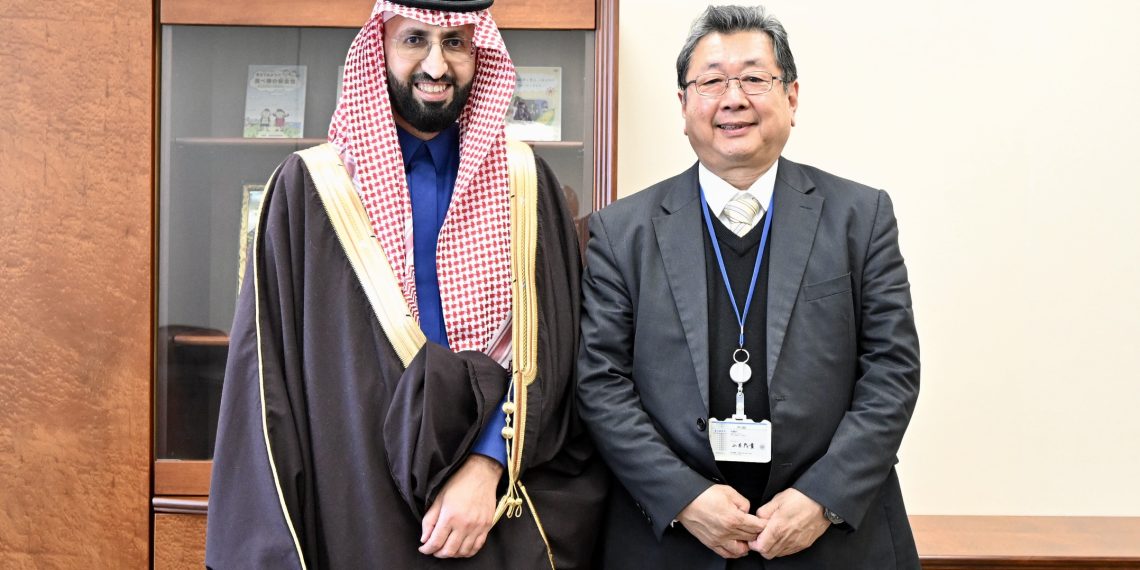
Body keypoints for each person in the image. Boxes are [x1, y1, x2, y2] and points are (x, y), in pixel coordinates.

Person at [205, 0, 606, 567]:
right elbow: (267, 382)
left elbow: (554, 350)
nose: (437, 67)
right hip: (357, 503)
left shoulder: (526, 182)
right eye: (414, 39)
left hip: (495, 504)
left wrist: (486, 463)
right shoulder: (310, 190)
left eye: (456, 43)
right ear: (380, 48)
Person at [577, 4, 920, 568]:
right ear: (683, 105)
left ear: (792, 97)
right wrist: (684, 497)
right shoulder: (621, 232)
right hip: (673, 543)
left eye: (755, 79)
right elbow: (600, 382)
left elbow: (892, 369)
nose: (733, 99)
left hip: (834, 541)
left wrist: (822, 498)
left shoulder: (861, 218)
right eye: (711, 81)